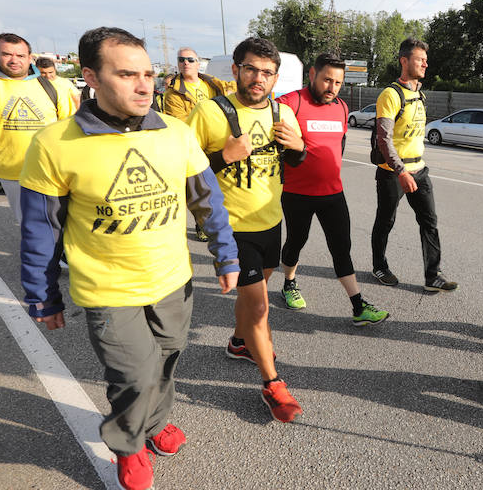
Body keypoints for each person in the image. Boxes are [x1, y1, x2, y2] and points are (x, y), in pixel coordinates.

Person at [19, 27, 239, 490]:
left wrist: (225, 256)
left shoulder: (175, 133)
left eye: (147, 74)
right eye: (126, 74)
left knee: (166, 361)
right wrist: (43, 296)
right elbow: (41, 227)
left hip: (173, 280)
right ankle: (129, 445)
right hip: (107, 289)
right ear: (91, 77)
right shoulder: (56, 143)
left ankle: (156, 424)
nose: (144, 86)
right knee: (134, 374)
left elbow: (208, 200)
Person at [187, 37, 306, 423]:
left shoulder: (282, 112)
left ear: (275, 78)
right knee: (259, 307)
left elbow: (298, 158)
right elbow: (184, 170)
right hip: (231, 226)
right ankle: (273, 385)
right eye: (251, 69)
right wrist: (224, 156)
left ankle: (239, 343)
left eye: (267, 72)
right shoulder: (209, 112)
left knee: (255, 296)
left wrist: (298, 146)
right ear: (236, 69)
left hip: (270, 221)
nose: (259, 78)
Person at [275, 53, 390, 325]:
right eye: (327, 80)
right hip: (297, 194)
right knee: (295, 242)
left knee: (341, 248)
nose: (332, 87)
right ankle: (289, 283)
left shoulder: (341, 108)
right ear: (312, 74)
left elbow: (339, 146)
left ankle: (358, 306)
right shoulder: (291, 102)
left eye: (338, 82)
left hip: (332, 194)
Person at [0, 33, 75, 222]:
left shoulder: (53, 88)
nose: (14, 61)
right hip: (13, 173)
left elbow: (71, 127)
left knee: (67, 224)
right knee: (31, 225)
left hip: (55, 171)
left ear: (30, 57)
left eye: (20, 56)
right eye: (7, 54)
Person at [370, 38, 457, 292]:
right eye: (420, 60)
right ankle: (379, 266)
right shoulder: (390, 94)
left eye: (425, 60)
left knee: (429, 222)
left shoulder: (420, 94)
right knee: (385, 222)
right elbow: (384, 140)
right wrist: (401, 171)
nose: (425, 64)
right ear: (404, 61)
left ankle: (433, 276)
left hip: (420, 170)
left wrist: (414, 170)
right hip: (392, 173)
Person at [164, 47, 234, 241]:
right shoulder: (174, 93)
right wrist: (207, 120)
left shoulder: (211, 82)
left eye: (190, 59)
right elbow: (180, 122)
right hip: (194, 141)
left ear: (198, 63)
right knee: (200, 186)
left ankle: (219, 219)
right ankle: (202, 224)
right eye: (181, 59)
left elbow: (231, 89)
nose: (186, 62)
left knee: (220, 184)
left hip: (217, 137)